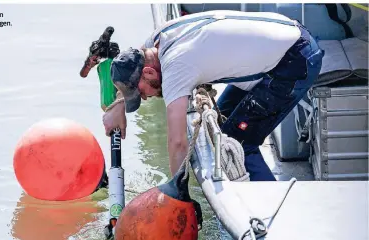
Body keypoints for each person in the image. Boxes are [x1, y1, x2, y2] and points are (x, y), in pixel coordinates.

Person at [102, 10, 324, 181]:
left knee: (238, 145)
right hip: (288, 35)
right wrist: (119, 105)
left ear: (149, 72)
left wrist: (177, 195)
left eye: (141, 93)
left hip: (294, 61)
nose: (146, 97)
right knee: (222, 125)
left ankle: (274, 216)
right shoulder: (159, 38)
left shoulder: (175, 68)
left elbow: (178, 143)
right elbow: (139, 57)